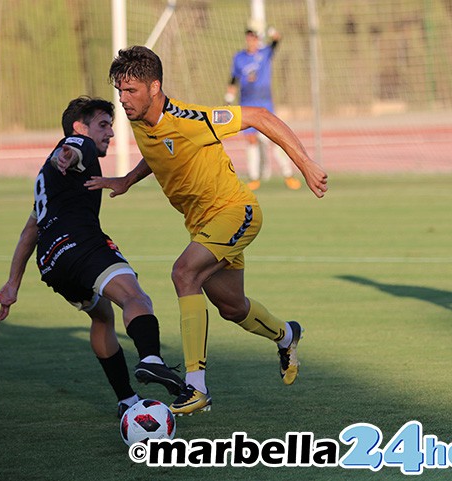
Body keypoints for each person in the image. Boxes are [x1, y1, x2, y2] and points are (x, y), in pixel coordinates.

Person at [83, 46, 328, 416]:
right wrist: (128, 180)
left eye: (131, 90)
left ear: (155, 87)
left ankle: (195, 387)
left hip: (235, 211)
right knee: (232, 307)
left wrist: (306, 164)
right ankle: (287, 335)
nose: (124, 99)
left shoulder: (189, 118)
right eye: (120, 91)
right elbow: (159, 153)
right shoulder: (138, 119)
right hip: (203, 224)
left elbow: (260, 116)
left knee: (184, 273)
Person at [0, 96, 185, 418]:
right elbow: (78, 148)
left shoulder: (47, 178)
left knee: (102, 317)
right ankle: (151, 360)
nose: (110, 134)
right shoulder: (77, 144)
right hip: (80, 243)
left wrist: (12, 284)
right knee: (135, 297)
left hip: (51, 261)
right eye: (104, 125)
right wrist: (71, 152)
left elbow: (29, 232)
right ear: (80, 127)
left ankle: (127, 401)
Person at [226, 26, 301, 191]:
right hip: (246, 103)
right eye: (249, 38)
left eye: (253, 38)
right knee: (251, 140)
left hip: (264, 104)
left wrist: (271, 30)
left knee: (274, 139)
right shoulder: (239, 57)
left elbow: (277, 40)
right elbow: (233, 79)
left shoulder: (265, 53)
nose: (251, 41)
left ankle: (288, 174)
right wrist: (229, 98)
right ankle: (254, 177)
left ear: (257, 39)